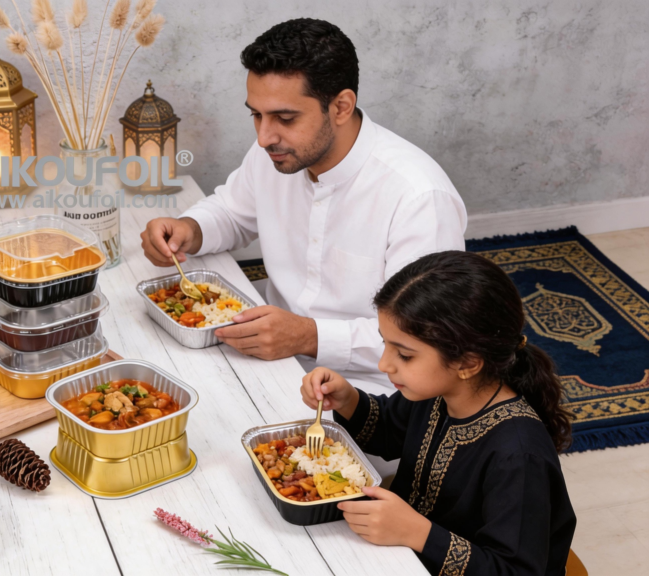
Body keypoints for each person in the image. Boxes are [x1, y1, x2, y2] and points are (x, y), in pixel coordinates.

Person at [141, 18, 467, 395]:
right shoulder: (277, 151)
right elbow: (232, 212)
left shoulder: (419, 197)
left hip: (371, 393)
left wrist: (308, 337)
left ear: (341, 106)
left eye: (285, 117)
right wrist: (189, 229)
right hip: (265, 349)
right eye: (256, 115)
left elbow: (426, 339)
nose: (264, 137)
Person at [301, 251, 575, 575]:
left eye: (404, 354)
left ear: (468, 363)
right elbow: (388, 429)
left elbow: (515, 571)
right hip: (401, 553)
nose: (384, 364)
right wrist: (347, 399)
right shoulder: (436, 394)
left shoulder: (518, 456)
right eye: (385, 345)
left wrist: (418, 533)